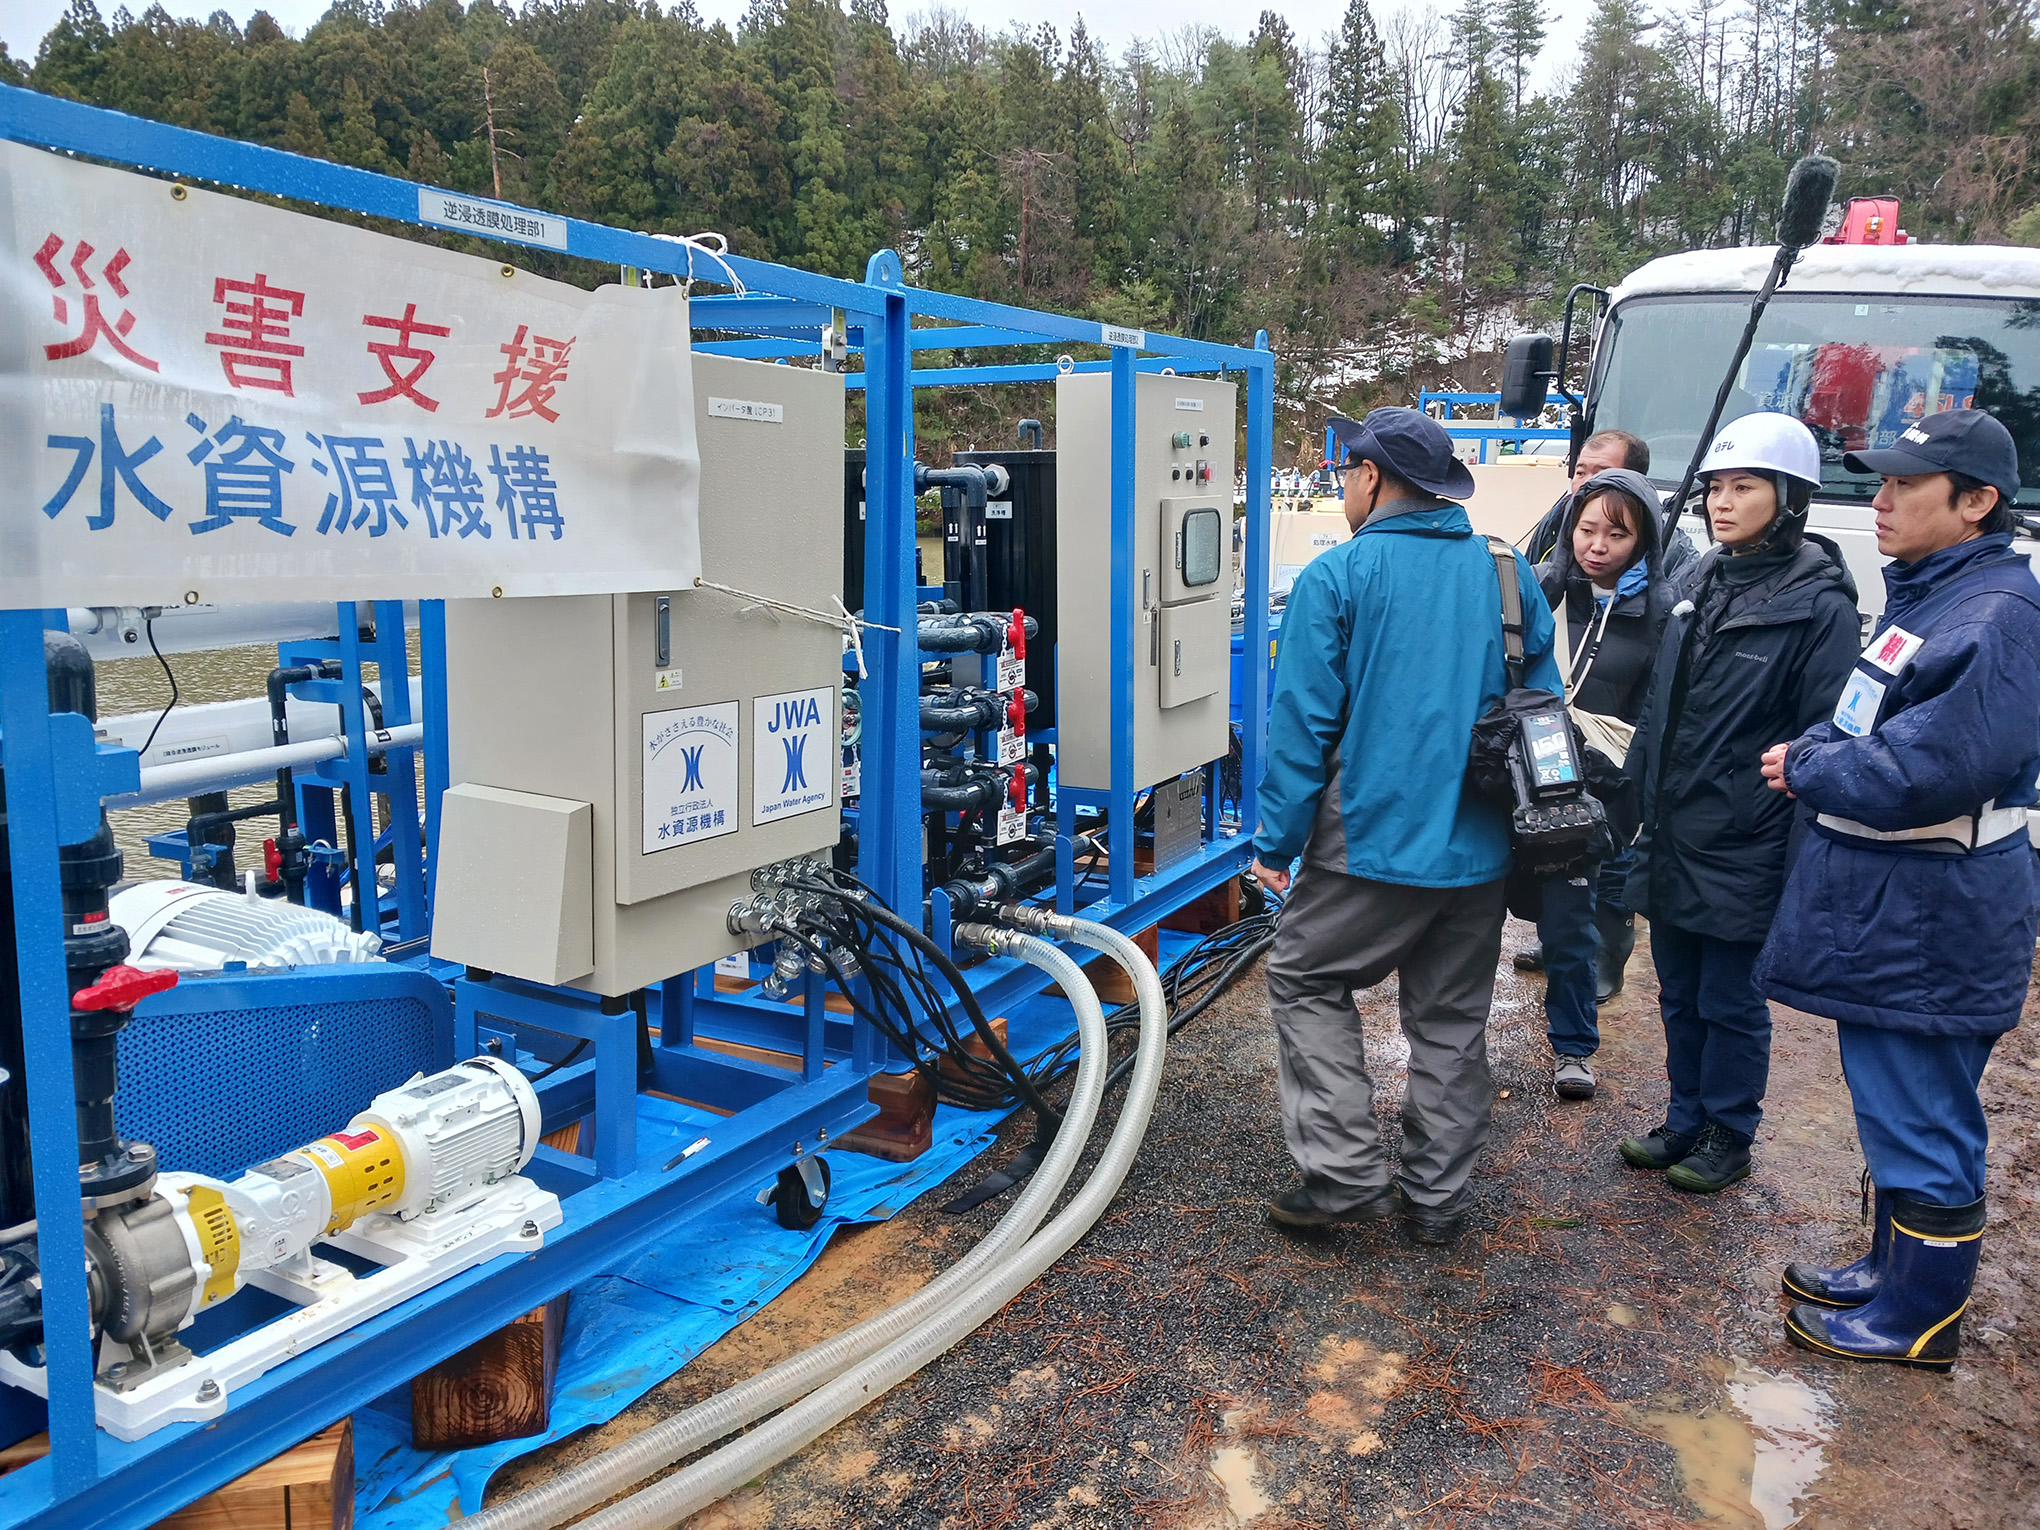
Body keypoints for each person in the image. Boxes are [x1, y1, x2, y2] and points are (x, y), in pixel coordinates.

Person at [1753, 409, 2040, 1372]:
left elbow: (1927, 768)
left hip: (1931, 909)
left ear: (1975, 502)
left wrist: (1808, 767)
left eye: (1902, 489)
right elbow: (1861, 717)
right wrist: (1826, 750)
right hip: (1898, 902)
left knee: (1922, 1112)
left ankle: (1918, 1318)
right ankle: (1890, 1272)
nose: (1876, 504)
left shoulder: (1996, 616)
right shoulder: (1933, 596)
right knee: (1893, 1100)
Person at [1249, 408, 1563, 1247]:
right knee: (1452, 1019)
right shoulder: (1507, 573)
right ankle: (1436, 1199)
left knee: (1306, 977)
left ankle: (1345, 1174)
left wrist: (1275, 847)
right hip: (1480, 848)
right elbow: (1545, 715)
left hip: (1370, 844)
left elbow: (1303, 726)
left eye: (1347, 471)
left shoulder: (1340, 576)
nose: (1344, 486)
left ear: (1374, 478)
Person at [1616, 413, 1860, 1192]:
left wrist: (1796, 854)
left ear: (1788, 498)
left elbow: (1825, 739)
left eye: (1744, 487)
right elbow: (1659, 708)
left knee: (1730, 997)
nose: (1722, 503)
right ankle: (1685, 1114)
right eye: (1716, 488)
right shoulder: (1694, 585)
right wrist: (1635, 804)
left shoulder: (1819, 607)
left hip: (1748, 837)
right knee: (1678, 989)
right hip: (1676, 827)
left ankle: (1730, 1130)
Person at [1531, 468, 1672, 1101]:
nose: (1597, 545)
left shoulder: (1661, 611)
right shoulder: (1550, 590)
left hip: (1595, 783)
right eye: (1586, 529)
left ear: (1645, 541)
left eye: (1617, 534)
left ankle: (1574, 1046)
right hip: (1521, 763)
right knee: (1474, 913)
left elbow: (1658, 712)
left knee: (1570, 916)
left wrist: (1628, 790)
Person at [1520, 429, 1651, 566]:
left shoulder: (1665, 540)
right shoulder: (1557, 517)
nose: (1586, 484)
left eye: (1600, 475)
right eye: (1581, 473)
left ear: (1634, 482)